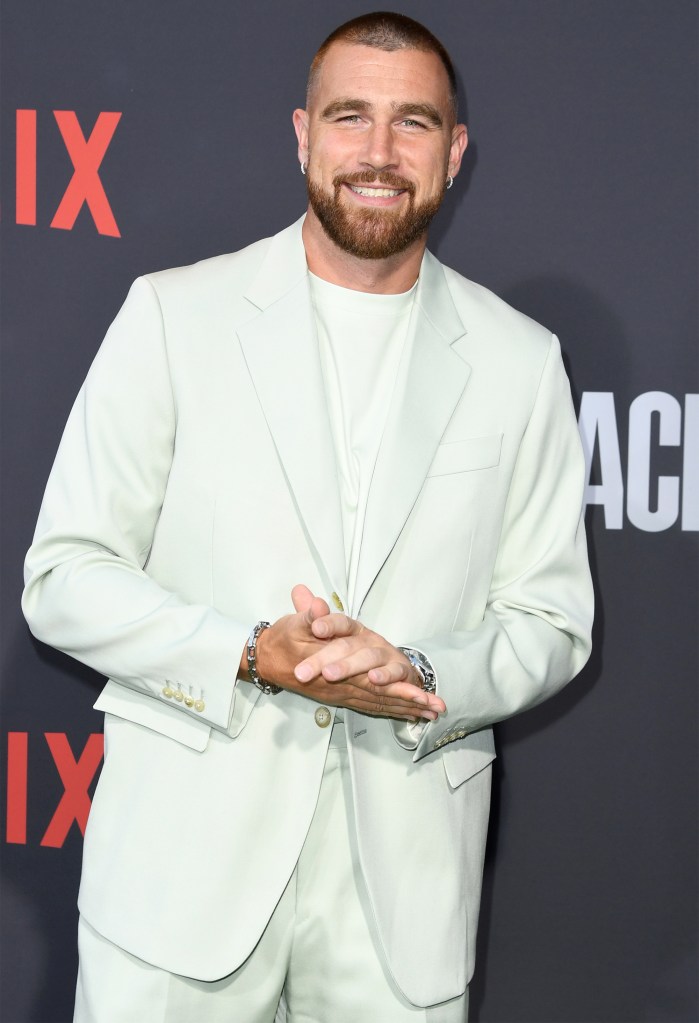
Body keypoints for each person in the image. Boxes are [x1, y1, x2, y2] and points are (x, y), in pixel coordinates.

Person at [22, 11, 593, 1022]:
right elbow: (64, 576)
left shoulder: (520, 361)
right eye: (350, 117)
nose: (378, 153)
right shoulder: (173, 316)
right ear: (302, 134)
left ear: (455, 154)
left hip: (401, 908)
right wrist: (246, 651)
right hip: (178, 892)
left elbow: (551, 623)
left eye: (412, 123)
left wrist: (420, 677)